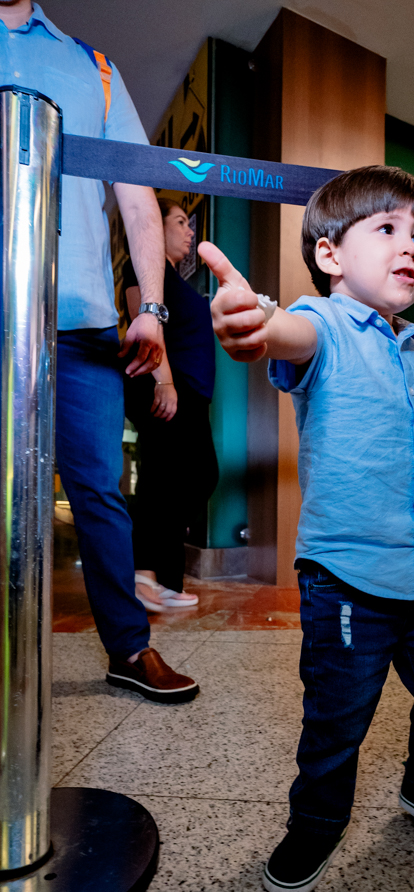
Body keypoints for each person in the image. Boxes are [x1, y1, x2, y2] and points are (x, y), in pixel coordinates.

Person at [199, 164, 414, 892]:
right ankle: (316, 822)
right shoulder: (323, 326)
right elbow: (283, 333)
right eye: (388, 229)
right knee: (337, 716)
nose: (411, 247)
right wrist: (251, 321)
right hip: (346, 580)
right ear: (330, 254)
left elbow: (412, 451)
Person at [0, 0, 198, 703]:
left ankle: (129, 648)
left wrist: (151, 309)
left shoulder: (95, 69)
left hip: (80, 318)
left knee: (100, 492)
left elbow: (136, 196)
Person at [123, 198, 219, 610]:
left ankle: (162, 577)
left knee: (190, 477)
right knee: (166, 478)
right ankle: (142, 574)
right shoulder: (145, 270)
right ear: (154, 225)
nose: (189, 230)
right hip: (167, 386)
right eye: (180, 221)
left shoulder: (174, 281)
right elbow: (142, 321)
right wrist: (163, 381)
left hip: (188, 391)